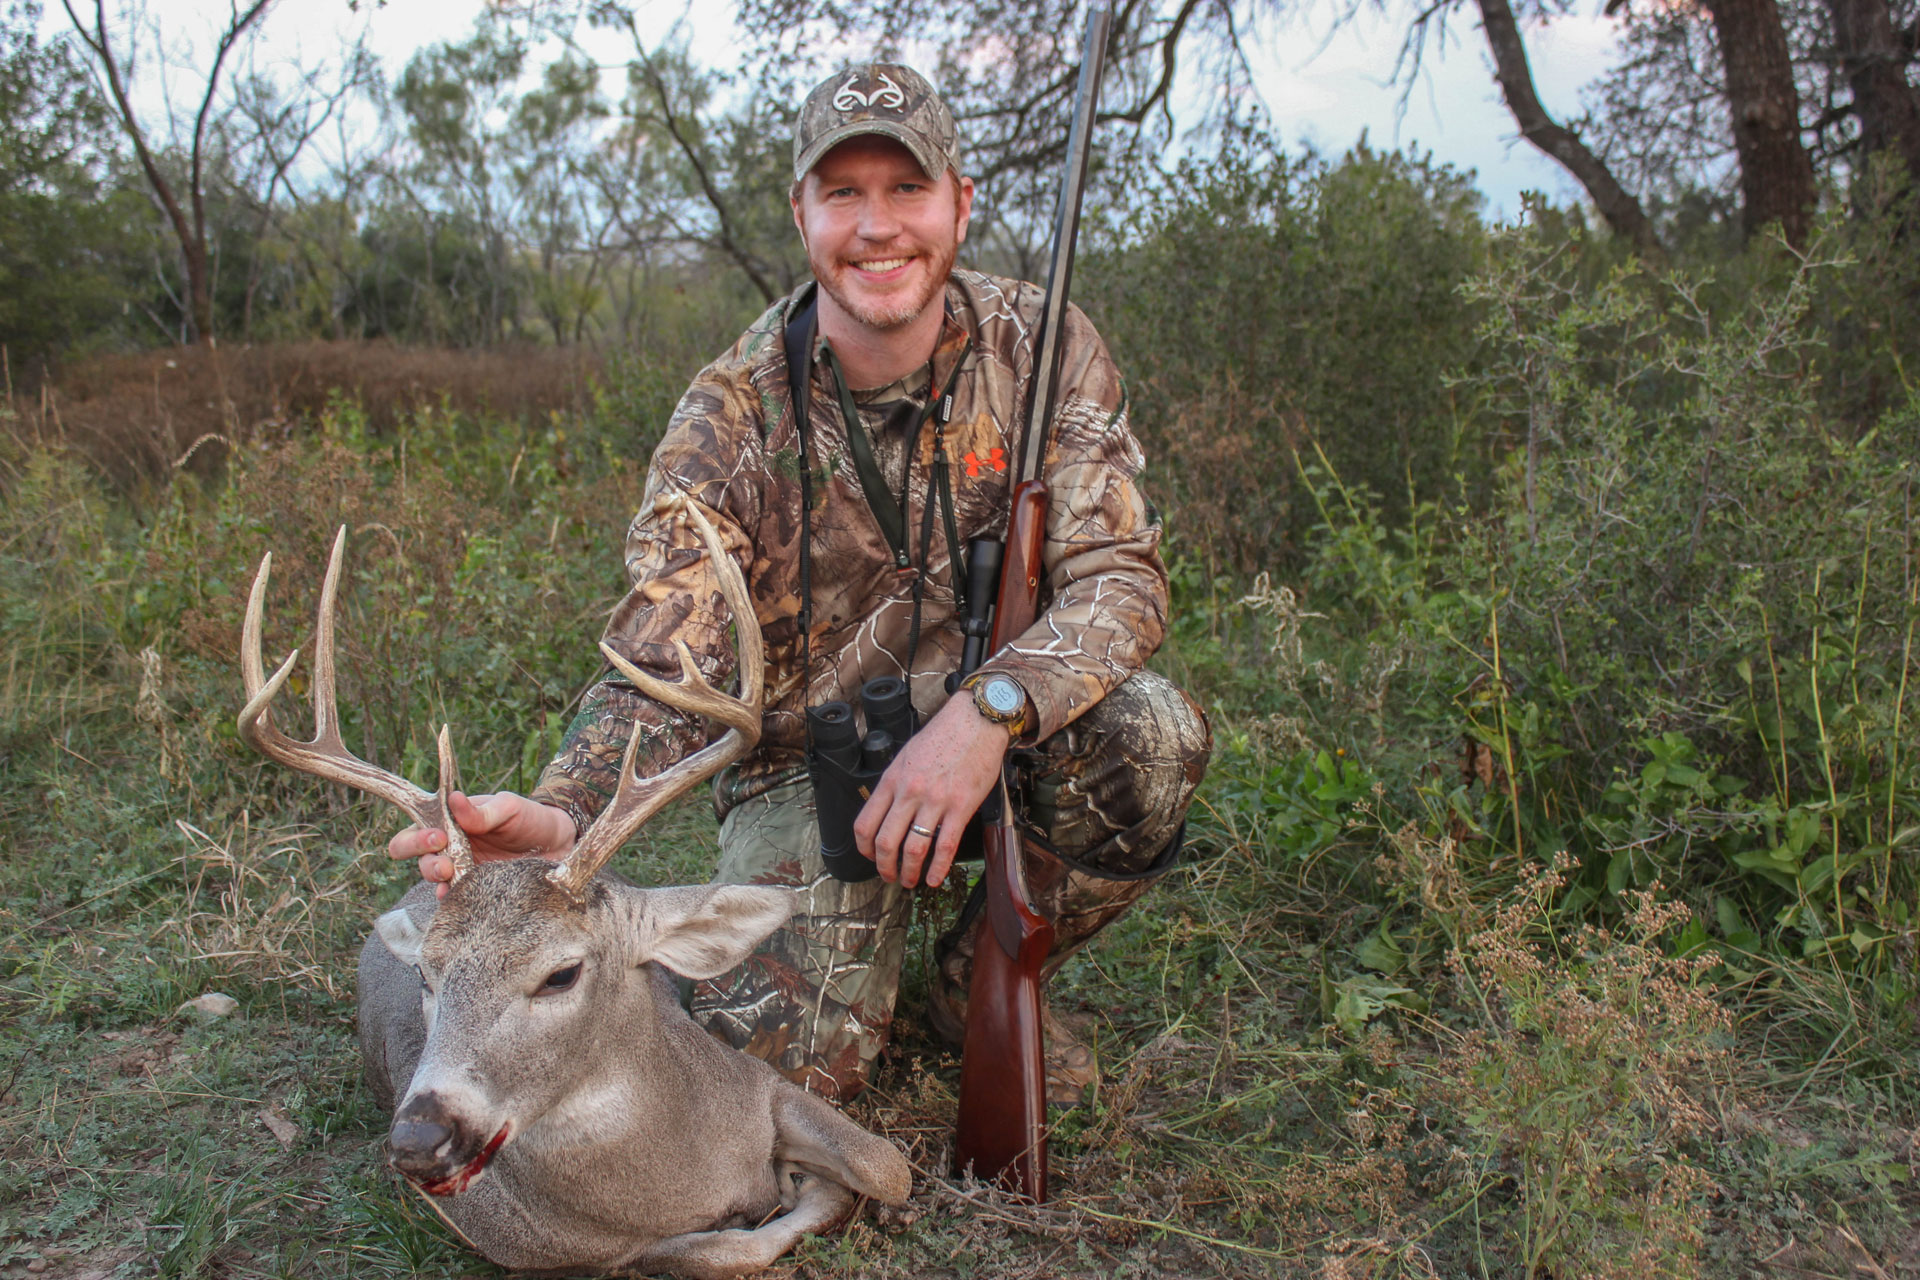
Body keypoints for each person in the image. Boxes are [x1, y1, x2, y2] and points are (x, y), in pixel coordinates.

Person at [389, 63, 1210, 1105]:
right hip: (808, 776)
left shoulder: (1041, 348)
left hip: (1004, 730)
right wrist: (563, 809)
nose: (879, 227)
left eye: (907, 189)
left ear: (961, 200)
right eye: (845, 193)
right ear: (801, 213)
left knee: (1153, 736)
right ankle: (847, 960)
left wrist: (986, 711)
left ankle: (973, 984)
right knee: (775, 1083)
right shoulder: (728, 414)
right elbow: (664, 654)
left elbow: (1120, 578)